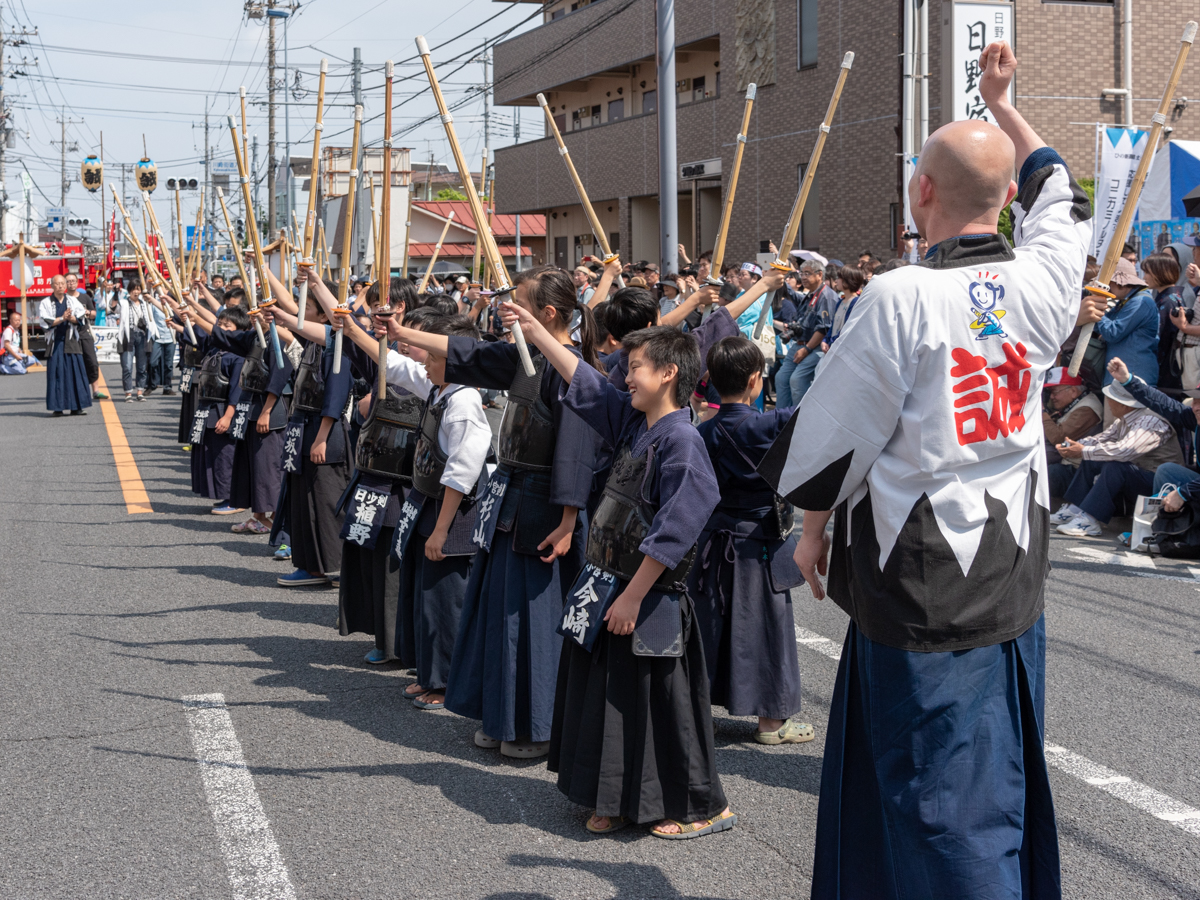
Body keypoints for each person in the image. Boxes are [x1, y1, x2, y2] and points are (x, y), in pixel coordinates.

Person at [757, 42, 1102, 898]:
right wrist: (1004, 102)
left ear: (920, 193)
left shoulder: (899, 296)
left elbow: (830, 445)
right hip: (1012, 569)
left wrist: (809, 531)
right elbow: (1064, 188)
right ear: (1007, 200)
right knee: (992, 778)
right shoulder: (1048, 280)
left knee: (939, 802)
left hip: (920, 581)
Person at [502, 296, 733, 839]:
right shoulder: (637, 424)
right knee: (608, 696)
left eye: (634, 368)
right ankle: (614, 797)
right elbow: (585, 382)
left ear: (668, 373)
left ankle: (704, 807)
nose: (624, 377)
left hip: (648, 597)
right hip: (607, 584)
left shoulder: (682, 440)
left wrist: (633, 597)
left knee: (663, 706)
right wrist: (534, 329)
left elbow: (677, 527)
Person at [393, 265, 601, 760]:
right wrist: (401, 333)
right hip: (509, 499)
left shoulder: (570, 368)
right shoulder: (522, 358)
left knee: (532, 620)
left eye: (519, 302)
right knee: (496, 614)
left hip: (546, 510)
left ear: (548, 313)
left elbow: (577, 449)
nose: (507, 307)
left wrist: (570, 519)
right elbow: (471, 353)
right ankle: (499, 713)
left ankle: (535, 726)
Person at [339, 305, 491, 709]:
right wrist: (355, 331)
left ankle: (447, 684)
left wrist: (441, 530)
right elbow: (399, 366)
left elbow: (462, 474)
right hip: (427, 507)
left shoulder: (464, 403)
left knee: (447, 603)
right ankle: (429, 675)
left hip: (452, 518)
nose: (425, 366)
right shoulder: (441, 389)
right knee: (425, 599)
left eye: (435, 358)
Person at [691, 336, 809, 744]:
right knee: (768, 628)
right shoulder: (773, 423)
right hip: (760, 541)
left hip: (711, 540)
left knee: (707, 625)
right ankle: (771, 723)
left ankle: (695, 710)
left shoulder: (702, 432)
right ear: (757, 380)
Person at [1049, 375, 1183, 537]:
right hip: (1140, 477)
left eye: (1110, 398)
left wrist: (1083, 450)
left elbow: (1125, 450)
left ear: (1122, 403)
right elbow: (1101, 439)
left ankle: (1091, 519)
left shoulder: (1151, 421)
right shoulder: (1125, 419)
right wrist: (1075, 445)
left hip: (1159, 487)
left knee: (1115, 466)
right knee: (1092, 456)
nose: (1108, 402)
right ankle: (1077, 507)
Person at [1106, 356, 1200, 510]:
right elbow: (1162, 402)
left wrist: (1182, 493)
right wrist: (1127, 380)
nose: (1197, 407)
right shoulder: (1194, 418)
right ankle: (1156, 522)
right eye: (1196, 401)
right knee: (1167, 470)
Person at [184, 303, 251, 514]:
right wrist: (188, 312)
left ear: (240, 331)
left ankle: (235, 499)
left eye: (227, 325)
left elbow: (236, 390)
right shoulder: (216, 350)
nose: (221, 328)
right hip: (209, 409)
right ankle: (224, 496)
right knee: (212, 455)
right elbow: (199, 331)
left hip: (223, 411)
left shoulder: (238, 357)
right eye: (220, 324)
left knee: (226, 456)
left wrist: (229, 416)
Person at [776, 260, 838, 407]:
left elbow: (823, 329)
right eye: (801, 273)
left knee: (797, 380)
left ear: (819, 275)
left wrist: (807, 349)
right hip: (799, 344)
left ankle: (798, 422)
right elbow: (789, 292)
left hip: (814, 347)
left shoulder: (826, 296)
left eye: (807, 273)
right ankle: (781, 420)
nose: (803, 277)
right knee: (781, 378)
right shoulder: (810, 294)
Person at [1094, 258, 1159, 386]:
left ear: (1120, 282)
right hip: (1124, 377)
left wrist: (1097, 310)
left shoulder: (1140, 302)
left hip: (1133, 378)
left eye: (1109, 283)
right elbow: (1100, 328)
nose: (1107, 288)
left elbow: (1112, 333)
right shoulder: (1128, 301)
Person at [38, 275, 92, 416]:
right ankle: (58, 407)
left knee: (75, 372)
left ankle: (77, 406)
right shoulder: (46, 302)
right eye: (58, 283)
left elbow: (80, 318)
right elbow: (45, 321)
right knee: (57, 374)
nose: (61, 286)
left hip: (71, 340)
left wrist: (71, 318)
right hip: (56, 342)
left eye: (63, 283)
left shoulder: (72, 300)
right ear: (52, 286)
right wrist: (62, 318)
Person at [1042, 366, 1102, 470]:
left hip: (1075, 468)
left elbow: (1058, 438)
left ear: (1073, 391)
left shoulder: (1087, 408)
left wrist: (1042, 411)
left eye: (1055, 392)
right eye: (1049, 392)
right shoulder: (1072, 404)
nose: (1051, 397)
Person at [1141, 252, 1184, 390]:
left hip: (1164, 374)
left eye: (1147, 272)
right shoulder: (1171, 298)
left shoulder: (1167, 302)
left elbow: (1158, 340)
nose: (1144, 277)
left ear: (1160, 272)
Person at [65, 273, 106, 400]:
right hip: (70, 335)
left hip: (84, 333)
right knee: (74, 364)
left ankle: (96, 390)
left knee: (92, 362)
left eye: (73, 281)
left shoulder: (85, 297)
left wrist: (87, 312)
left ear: (77, 282)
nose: (71, 283)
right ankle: (77, 391)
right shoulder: (63, 298)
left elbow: (94, 313)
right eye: (68, 281)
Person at [114, 280, 151, 402]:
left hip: (142, 335)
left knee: (142, 366)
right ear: (129, 290)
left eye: (138, 289)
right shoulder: (124, 302)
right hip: (127, 336)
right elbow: (113, 307)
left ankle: (140, 391)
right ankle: (128, 393)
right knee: (127, 366)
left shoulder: (145, 303)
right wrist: (115, 292)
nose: (136, 292)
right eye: (133, 289)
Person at [146, 290, 178, 395]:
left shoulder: (174, 309)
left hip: (170, 338)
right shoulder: (155, 307)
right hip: (158, 338)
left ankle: (167, 387)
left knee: (168, 365)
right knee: (152, 362)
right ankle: (152, 385)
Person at [0, 309, 38, 374]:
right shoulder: (8, 331)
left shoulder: (16, 331)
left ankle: (18, 366)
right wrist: (16, 356)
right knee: (22, 371)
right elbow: (7, 345)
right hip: (8, 356)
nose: (18, 322)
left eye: (19, 320)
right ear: (11, 321)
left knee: (32, 360)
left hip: (15, 354)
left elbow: (16, 345)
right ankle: (2, 368)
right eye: (16, 320)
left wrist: (21, 353)